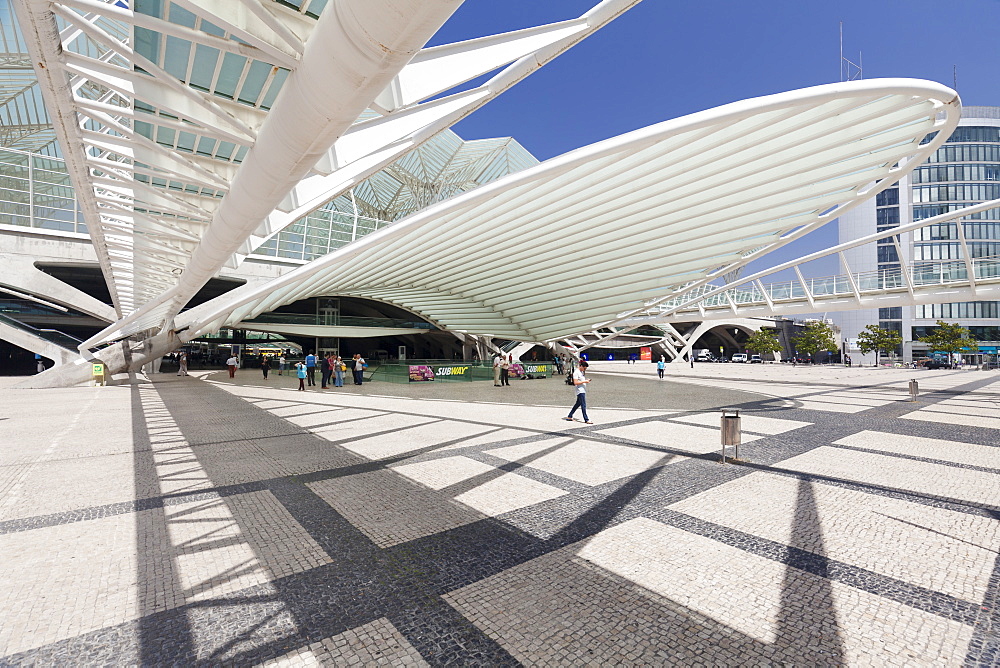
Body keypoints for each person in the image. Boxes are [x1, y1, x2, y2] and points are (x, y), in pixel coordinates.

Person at [564, 359, 592, 424]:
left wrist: (586, 380)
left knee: (577, 404)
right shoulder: (576, 372)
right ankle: (586, 419)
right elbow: (575, 382)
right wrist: (585, 381)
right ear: (581, 366)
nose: (584, 370)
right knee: (583, 405)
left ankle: (570, 416)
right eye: (584, 368)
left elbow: (581, 380)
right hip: (580, 391)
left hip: (583, 390)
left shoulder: (581, 372)